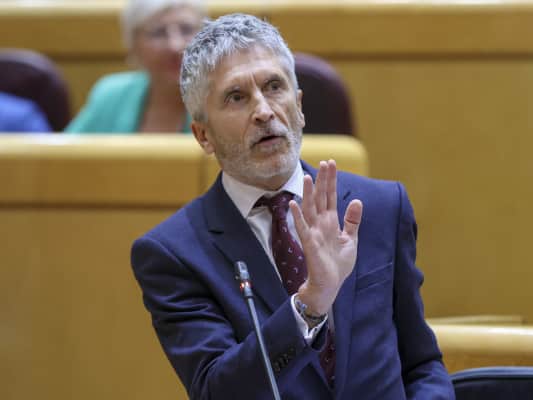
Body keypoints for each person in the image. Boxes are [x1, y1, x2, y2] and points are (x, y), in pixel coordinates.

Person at [131, 13, 454, 400]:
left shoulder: (381, 207)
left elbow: (420, 363)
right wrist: (309, 304)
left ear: (298, 106)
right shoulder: (174, 254)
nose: (264, 111)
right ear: (203, 135)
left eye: (274, 87)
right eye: (237, 97)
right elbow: (217, 391)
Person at [65, 0, 205, 134]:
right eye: (159, 33)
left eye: (186, 30)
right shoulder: (111, 96)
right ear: (133, 43)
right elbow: (68, 148)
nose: (175, 45)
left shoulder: (215, 100)